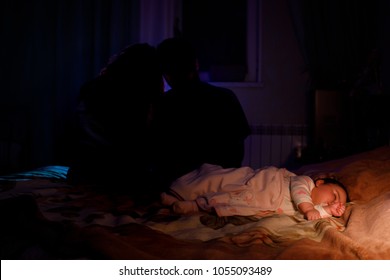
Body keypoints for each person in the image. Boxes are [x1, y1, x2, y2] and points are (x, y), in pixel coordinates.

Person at [151, 37, 251, 190]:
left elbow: (158, 159)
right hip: (222, 185)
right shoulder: (226, 97)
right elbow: (237, 153)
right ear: (196, 64)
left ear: (166, 74)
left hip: (178, 188)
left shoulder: (162, 105)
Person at [66, 43, 163, 193]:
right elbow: (139, 142)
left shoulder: (92, 86)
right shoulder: (139, 96)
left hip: (82, 171)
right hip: (118, 178)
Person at [160, 163, 349, 221]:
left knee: (228, 203)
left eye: (337, 203)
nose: (333, 201)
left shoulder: (311, 209)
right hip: (261, 185)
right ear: (320, 182)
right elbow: (299, 193)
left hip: (259, 202)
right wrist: (309, 208)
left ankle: (191, 206)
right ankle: (181, 195)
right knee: (220, 183)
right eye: (334, 195)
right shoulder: (304, 182)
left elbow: (313, 215)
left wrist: (328, 211)